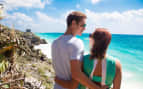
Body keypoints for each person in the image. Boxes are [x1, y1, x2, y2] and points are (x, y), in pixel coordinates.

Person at [52, 11, 107, 89]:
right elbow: (76, 74)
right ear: (73, 23)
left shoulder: (55, 42)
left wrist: (57, 79)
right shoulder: (76, 43)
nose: (84, 28)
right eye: (83, 25)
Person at [55, 28, 122, 89]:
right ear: (108, 43)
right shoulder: (116, 65)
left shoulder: (83, 60)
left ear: (93, 41)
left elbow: (72, 86)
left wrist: (57, 79)